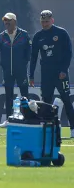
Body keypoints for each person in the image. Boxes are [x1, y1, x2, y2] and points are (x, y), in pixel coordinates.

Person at [29, 10, 74, 138]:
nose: (45, 24)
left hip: (61, 74)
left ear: (52, 20)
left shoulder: (61, 33)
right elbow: (33, 57)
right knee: (46, 102)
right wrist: (31, 75)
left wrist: (64, 70)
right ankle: (47, 129)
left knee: (66, 100)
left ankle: (73, 129)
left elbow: (69, 53)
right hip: (46, 74)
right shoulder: (38, 36)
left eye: (47, 21)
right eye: (42, 22)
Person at [0, 12, 31, 127]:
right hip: (7, 71)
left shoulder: (24, 35)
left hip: (21, 71)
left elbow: (29, 53)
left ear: (14, 21)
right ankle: (9, 120)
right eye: (5, 21)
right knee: (8, 95)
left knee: (25, 94)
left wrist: (23, 64)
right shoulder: (1, 36)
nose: (6, 23)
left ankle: (28, 118)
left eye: (9, 20)